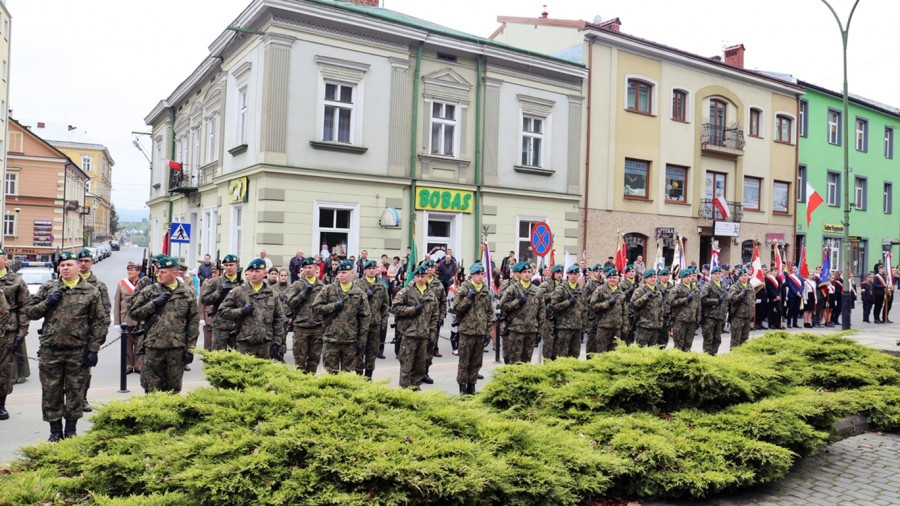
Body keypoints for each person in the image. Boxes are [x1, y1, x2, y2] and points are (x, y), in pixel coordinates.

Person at [26, 251, 105, 441]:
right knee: (51, 391)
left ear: (79, 267)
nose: (65, 268)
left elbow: (99, 322)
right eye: (62, 265)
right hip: (51, 349)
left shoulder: (91, 291)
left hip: (77, 351)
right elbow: (30, 312)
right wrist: (47, 303)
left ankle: (70, 429)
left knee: (75, 391)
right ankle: (54, 431)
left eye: (69, 265)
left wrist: (93, 349)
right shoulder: (48, 288)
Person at [129, 256, 199, 394]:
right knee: (152, 387)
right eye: (158, 271)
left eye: (163, 272)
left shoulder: (187, 293)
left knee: (174, 387)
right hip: (153, 346)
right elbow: (134, 313)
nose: (158, 274)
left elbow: (193, 323)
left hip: (176, 348)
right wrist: (153, 304)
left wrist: (190, 350)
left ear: (174, 273)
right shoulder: (150, 291)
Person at [218, 258, 287, 360]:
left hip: (265, 343)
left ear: (264, 273)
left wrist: (277, 342)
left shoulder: (272, 294)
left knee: (264, 374)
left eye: (257, 271)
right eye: (251, 271)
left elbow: (280, 318)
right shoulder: (238, 292)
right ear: (247, 273)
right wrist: (240, 311)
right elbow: (222, 311)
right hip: (244, 343)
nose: (254, 274)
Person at [312, 260, 371, 374]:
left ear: (352, 273)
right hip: (331, 339)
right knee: (331, 374)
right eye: (339, 273)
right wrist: (333, 306)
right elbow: (316, 308)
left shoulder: (359, 293)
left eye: (344, 272)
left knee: (347, 375)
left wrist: (361, 341)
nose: (341, 275)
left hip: (350, 341)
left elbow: (365, 318)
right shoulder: (329, 289)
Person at [391, 265, 439, 389]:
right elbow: (395, 308)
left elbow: (434, 317)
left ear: (427, 277)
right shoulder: (406, 291)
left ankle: (415, 391)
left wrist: (432, 335)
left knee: (420, 368)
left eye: (423, 276)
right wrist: (412, 309)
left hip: (423, 336)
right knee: (406, 368)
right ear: (414, 277)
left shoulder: (431, 295)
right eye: (418, 276)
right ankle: (404, 394)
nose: (420, 279)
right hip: (408, 334)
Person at [76, 248, 111, 413]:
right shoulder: (64, 282)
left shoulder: (98, 285)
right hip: (66, 335)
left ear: (92, 262)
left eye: (86, 261)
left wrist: (100, 335)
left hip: (87, 335)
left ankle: (82, 398)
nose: (83, 264)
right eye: (81, 261)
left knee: (84, 371)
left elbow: (105, 312)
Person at [453, 263, 492, 394]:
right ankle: (462, 386)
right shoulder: (464, 289)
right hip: (467, 331)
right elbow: (457, 309)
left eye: (482, 274)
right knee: (464, 361)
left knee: (476, 361)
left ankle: (472, 385)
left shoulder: (486, 290)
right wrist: (468, 298)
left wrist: (488, 331)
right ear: (472, 275)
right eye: (478, 274)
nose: (481, 277)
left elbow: (490, 312)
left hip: (480, 331)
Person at [285, 257, 326, 373]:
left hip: (317, 327)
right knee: (300, 360)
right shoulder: (297, 285)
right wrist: (304, 293)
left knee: (314, 360)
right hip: (301, 327)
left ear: (316, 268)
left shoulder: (322, 286)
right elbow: (290, 303)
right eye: (305, 268)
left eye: (310, 267)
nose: (307, 270)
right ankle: (300, 386)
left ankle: (310, 385)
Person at [0, 248, 29, 405]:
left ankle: (1, 404)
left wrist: (21, 332)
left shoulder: (16, 281)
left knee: (4, 369)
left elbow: (24, 308)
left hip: (6, 332)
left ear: (5, 260)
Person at [499, 262, 544, 364]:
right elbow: (503, 305)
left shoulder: (537, 290)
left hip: (531, 330)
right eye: (524, 272)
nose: (527, 274)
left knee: (526, 361)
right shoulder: (513, 288)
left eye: (529, 272)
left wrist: (540, 331)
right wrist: (517, 301)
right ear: (520, 273)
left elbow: (541, 311)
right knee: (514, 361)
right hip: (516, 330)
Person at [354, 260, 389, 379]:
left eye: (374, 268)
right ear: (365, 270)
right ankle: (358, 376)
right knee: (359, 350)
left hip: (375, 324)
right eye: (369, 268)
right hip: (360, 324)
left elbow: (385, 305)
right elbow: (352, 304)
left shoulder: (381, 285)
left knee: (372, 351)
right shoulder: (357, 284)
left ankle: (368, 376)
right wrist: (364, 295)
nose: (372, 270)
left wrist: (383, 322)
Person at [199, 254, 241, 350]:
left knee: (237, 357)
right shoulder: (215, 281)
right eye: (226, 265)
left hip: (237, 325)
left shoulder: (242, 283)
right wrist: (218, 292)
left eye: (231, 265)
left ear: (237, 266)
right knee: (218, 355)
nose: (228, 268)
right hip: (220, 325)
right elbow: (204, 300)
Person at [549, 265, 586, 358]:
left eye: (576, 274)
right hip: (564, 327)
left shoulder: (580, 290)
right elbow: (553, 306)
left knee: (575, 355)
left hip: (577, 326)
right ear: (567, 275)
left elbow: (584, 308)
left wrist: (584, 324)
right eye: (571, 274)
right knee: (562, 355)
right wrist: (568, 302)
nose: (573, 276)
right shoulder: (561, 289)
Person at [114, 262, 142, 374]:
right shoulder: (122, 284)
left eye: (133, 270)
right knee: (127, 345)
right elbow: (117, 303)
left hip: (140, 319)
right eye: (128, 270)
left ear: (138, 271)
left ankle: (138, 365)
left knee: (140, 343)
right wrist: (117, 322)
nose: (130, 272)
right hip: (126, 319)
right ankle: (129, 365)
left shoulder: (144, 283)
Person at [423, 260, 447, 382]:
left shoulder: (439, 284)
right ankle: (415, 372)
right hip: (419, 322)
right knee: (418, 348)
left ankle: (425, 372)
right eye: (428, 267)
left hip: (434, 321)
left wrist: (442, 317)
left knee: (430, 347)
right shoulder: (418, 282)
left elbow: (443, 302)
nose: (430, 269)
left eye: (432, 267)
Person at [630, 269, 663, 347]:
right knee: (642, 351)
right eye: (650, 277)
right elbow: (634, 304)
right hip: (643, 326)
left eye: (654, 277)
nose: (653, 279)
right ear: (645, 279)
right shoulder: (640, 290)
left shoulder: (658, 291)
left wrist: (660, 322)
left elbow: (661, 308)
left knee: (652, 350)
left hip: (654, 326)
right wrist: (645, 297)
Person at [668, 269, 698, 352]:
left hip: (691, 319)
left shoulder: (695, 288)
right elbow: (671, 302)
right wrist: (685, 299)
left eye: (689, 276)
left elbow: (697, 304)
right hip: (680, 320)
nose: (688, 278)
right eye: (686, 277)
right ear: (681, 278)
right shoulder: (677, 289)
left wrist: (698, 317)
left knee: (688, 344)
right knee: (679, 344)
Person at [699, 266, 727, 355]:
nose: (718, 275)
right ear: (711, 275)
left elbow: (725, 301)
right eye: (715, 274)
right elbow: (702, 300)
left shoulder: (723, 285)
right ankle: (707, 358)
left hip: (719, 316)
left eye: (719, 274)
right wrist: (716, 301)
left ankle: (713, 356)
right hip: (710, 316)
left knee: (717, 339)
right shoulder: (708, 286)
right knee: (708, 339)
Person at [539, 264, 563, 360]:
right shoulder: (546, 284)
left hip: (561, 317)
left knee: (558, 343)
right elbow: (540, 297)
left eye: (561, 273)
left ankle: (555, 361)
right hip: (548, 317)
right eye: (557, 273)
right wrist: (554, 294)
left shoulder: (564, 284)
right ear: (553, 273)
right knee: (548, 342)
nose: (559, 275)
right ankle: (547, 362)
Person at [728, 269, 755, 349]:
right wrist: (742, 293)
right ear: (738, 277)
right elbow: (732, 299)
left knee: (745, 339)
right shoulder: (735, 286)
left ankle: (743, 356)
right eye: (741, 276)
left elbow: (752, 300)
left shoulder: (750, 286)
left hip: (747, 317)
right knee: (735, 339)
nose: (744, 277)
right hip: (737, 316)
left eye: (745, 275)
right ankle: (733, 358)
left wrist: (752, 314)